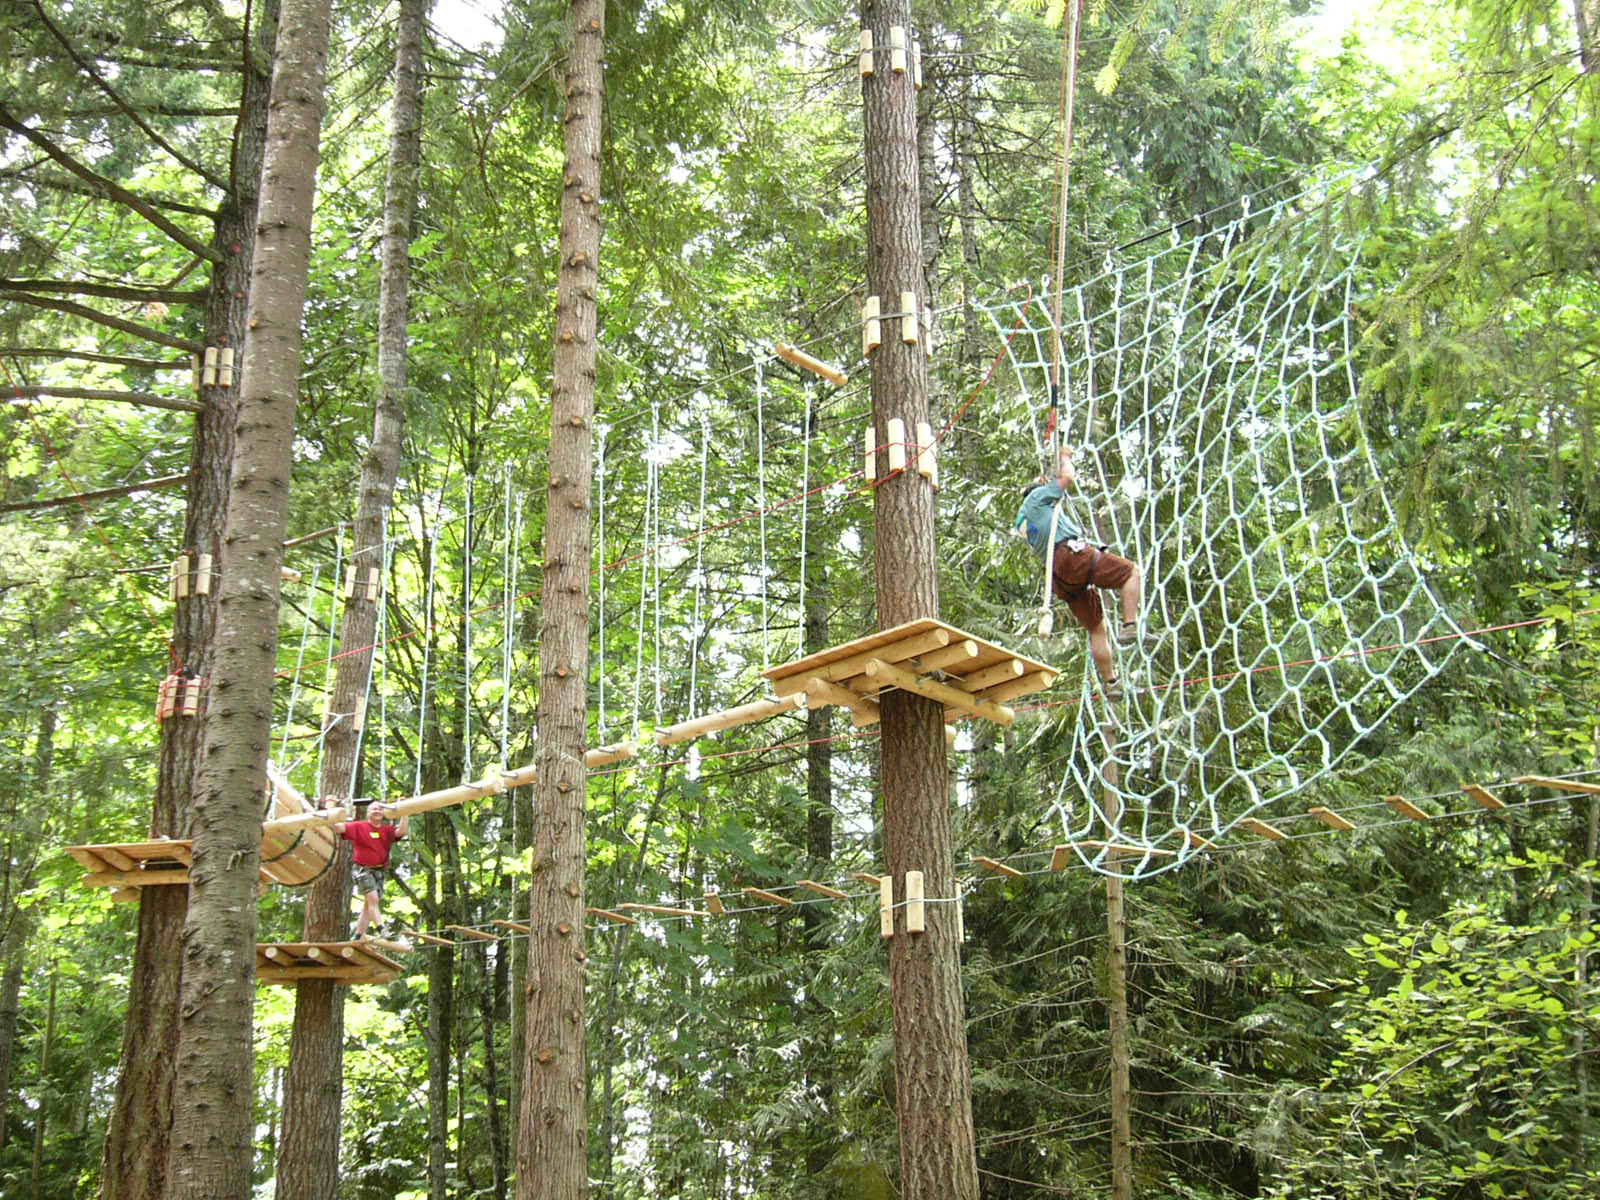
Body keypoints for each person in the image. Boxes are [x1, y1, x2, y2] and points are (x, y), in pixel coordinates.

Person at [1015, 446, 1144, 698]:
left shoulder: (1025, 521)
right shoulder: (1035, 500)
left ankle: (1111, 682)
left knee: (1097, 629)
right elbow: (1067, 479)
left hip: (1061, 577)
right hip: (1072, 556)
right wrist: (1064, 457)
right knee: (1132, 573)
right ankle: (1130, 624)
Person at [324, 797, 409, 940]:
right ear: (367, 813)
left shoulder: (387, 830)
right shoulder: (359, 826)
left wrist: (405, 811)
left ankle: (358, 935)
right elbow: (337, 828)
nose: (377, 811)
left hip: (379, 870)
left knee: (368, 905)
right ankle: (382, 929)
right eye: (373, 809)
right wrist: (330, 808)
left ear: (383, 813)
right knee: (373, 899)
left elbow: (402, 832)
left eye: (379, 809)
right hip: (362, 869)